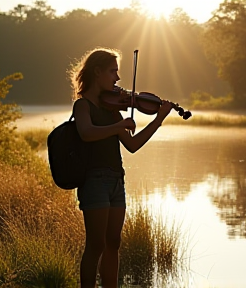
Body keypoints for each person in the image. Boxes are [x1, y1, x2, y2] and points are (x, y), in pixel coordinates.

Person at [70, 47, 173, 288]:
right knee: (95, 244)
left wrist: (158, 119)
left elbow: (133, 144)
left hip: (117, 180)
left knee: (113, 242)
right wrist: (117, 127)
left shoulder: (113, 109)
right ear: (97, 72)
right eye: (112, 72)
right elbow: (86, 133)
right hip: (94, 180)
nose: (117, 78)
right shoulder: (83, 105)